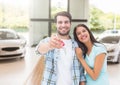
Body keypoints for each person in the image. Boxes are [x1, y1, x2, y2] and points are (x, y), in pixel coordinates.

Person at [34, 11, 86, 85]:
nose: (63, 25)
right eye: (60, 22)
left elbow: (81, 71)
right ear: (56, 24)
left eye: (66, 22)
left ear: (70, 24)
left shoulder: (77, 45)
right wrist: (50, 45)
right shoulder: (49, 41)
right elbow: (38, 50)